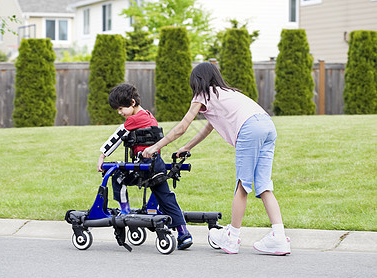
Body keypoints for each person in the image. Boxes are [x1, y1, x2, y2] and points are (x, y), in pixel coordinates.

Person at [142, 62, 291, 255]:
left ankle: (232, 237)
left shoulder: (203, 95)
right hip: (267, 126)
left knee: (242, 184)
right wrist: (187, 147)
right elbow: (208, 127)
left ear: (197, 82)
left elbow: (182, 127)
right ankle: (279, 237)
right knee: (263, 185)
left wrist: (155, 147)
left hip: (249, 129)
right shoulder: (228, 93)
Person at [97, 83, 193, 250]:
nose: (120, 113)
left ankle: (125, 212)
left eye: (121, 108)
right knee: (166, 198)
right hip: (157, 166)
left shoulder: (133, 119)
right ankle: (183, 233)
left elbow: (118, 136)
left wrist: (102, 155)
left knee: (117, 176)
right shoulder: (149, 116)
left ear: (132, 102)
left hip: (143, 167)